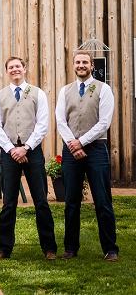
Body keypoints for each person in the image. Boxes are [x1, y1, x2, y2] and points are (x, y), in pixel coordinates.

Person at [0, 55, 57, 260]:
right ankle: (3, 249)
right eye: (11, 67)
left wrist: (26, 148)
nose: (15, 70)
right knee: (9, 203)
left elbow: (42, 124)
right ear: (7, 71)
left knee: (41, 201)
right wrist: (12, 150)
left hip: (32, 151)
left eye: (18, 66)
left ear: (24, 69)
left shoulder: (38, 94)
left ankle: (49, 248)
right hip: (9, 153)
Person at [55, 51, 118, 261]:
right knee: (71, 202)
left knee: (102, 200)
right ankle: (70, 248)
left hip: (96, 150)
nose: (81, 65)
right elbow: (60, 121)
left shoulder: (104, 89)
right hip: (71, 150)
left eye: (85, 62)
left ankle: (110, 249)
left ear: (91, 65)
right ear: (73, 65)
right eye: (77, 62)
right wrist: (73, 145)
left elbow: (104, 123)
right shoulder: (65, 91)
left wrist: (81, 142)